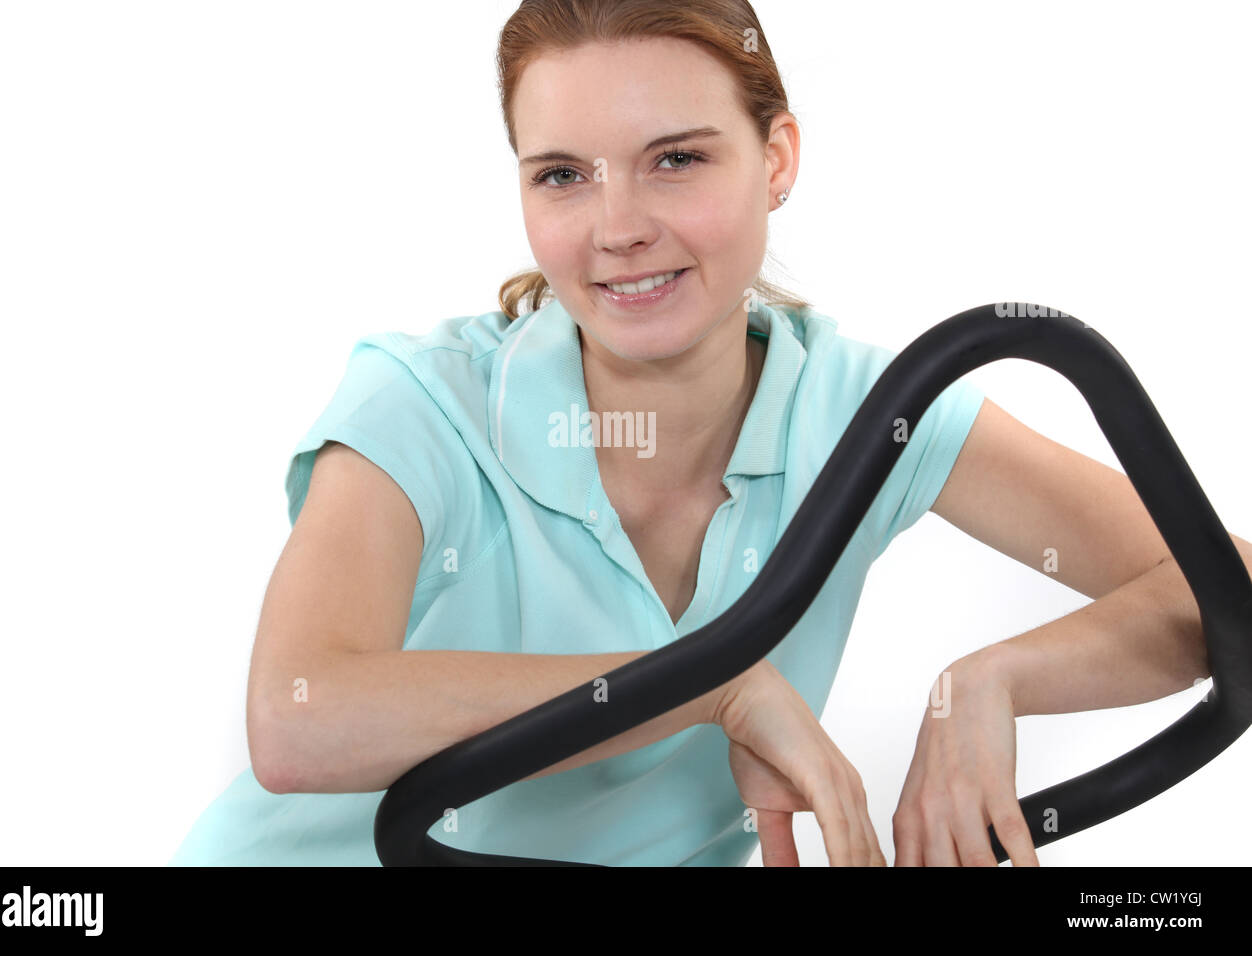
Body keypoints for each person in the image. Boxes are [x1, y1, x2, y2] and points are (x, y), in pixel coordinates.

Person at [173, 0, 1194, 867]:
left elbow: (1217, 590)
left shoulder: (863, 413)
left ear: (776, 158)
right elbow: (297, 717)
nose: (616, 226)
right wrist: (714, 689)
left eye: (675, 159)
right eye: (564, 175)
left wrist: (992, 681)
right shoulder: (424, 399)